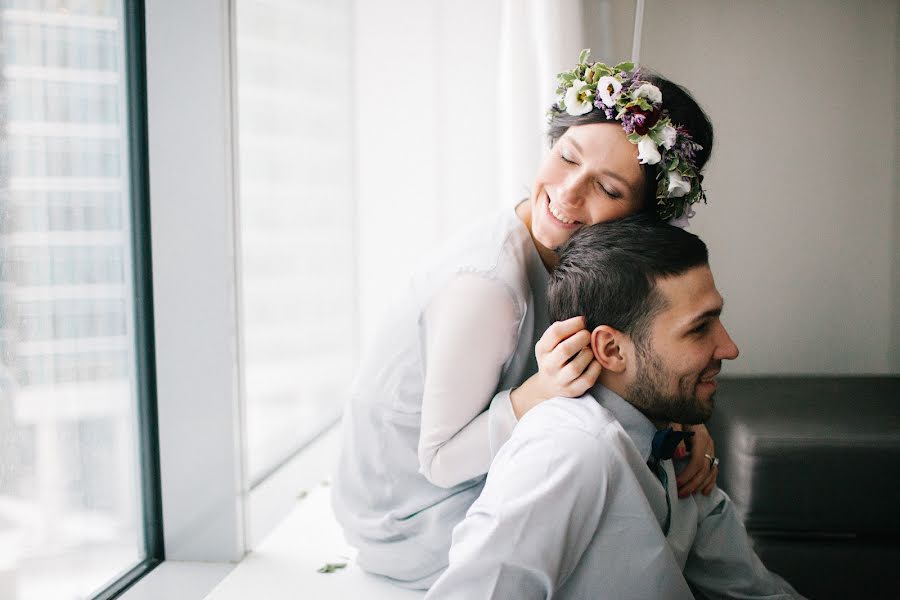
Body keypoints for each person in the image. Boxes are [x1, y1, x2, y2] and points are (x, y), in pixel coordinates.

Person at [333, 51, 721, 588]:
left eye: (608, 188)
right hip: (417, 520)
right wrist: (541, 391)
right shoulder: (488, 288)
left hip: (487, 479)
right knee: (605, 477)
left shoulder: (586, 260)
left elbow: (633, 360)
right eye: (566, 157)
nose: (566, 192)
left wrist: (686, 422)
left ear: (641, 221)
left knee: (654, 487)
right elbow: (440, 461)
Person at [425, 217, 804, 599]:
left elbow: (753, 589)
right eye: (699, 329)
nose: (730, 348)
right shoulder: (567, 454)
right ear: (611, 350)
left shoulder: (674, 433)